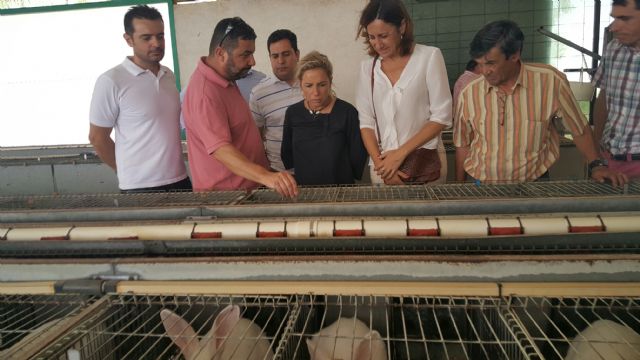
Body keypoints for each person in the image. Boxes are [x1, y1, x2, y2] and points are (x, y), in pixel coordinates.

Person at [454, 20, 627, 185]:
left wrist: (596, 165)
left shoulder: (549, 82)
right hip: (482, 185)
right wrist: (459, 186)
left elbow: (579, 129)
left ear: (515, 55)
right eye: (479, 64)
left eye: (490, 63)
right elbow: (463, 143)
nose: (484, 71)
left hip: (534, 184)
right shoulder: (470, 92)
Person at [182, 17, 298, 197]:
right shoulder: (205, 93)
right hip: (227, 198)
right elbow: (221, 150)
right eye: (245, 54)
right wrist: (267, 177)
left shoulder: (226, 78)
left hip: (248, 190)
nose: (252, 62)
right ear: (221, 53)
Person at [89, 5, 190, 193]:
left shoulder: (168, 75)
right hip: (140, 188)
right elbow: (97, 138)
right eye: (147, 38)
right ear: (128, 39)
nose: (156, 43)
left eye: (160, 36)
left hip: (180, 179)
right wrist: (127, 174)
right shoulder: (111, 80)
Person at [355, 0, 452, 185]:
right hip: (382, 167)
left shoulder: (429, 57)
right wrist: (381, 166)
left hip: (425, 164)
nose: (378, 44)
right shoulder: (367, 69)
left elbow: (442, 116)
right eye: (372, 37)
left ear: (402, 27)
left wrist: (400, 154)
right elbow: (366, 122)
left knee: (430, 214)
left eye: (383, 35)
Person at [281, 51, 367, 185]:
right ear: (300, 85)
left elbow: (358, 157)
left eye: (322, 85)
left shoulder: (347, 113)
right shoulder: (293, 113)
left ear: (330, 82)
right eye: (309, 86)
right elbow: (287, 155)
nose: (316, 93)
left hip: (342, 192)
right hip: (304, 193)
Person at [594, 0, 640, 179]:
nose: (614, 27)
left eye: (624, 19)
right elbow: (603, 97)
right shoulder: (614, 49)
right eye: (614, 18)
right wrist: (596, 154)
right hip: (608, 161)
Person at [250, 29, 303, 171]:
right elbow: (257, 137)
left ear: (297, 55)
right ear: (270, 58)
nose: (280, 61)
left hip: (315, 171)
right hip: (278, 174)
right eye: (275, 56)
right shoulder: (259, 93)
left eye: (286, 54)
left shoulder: (312, 85)